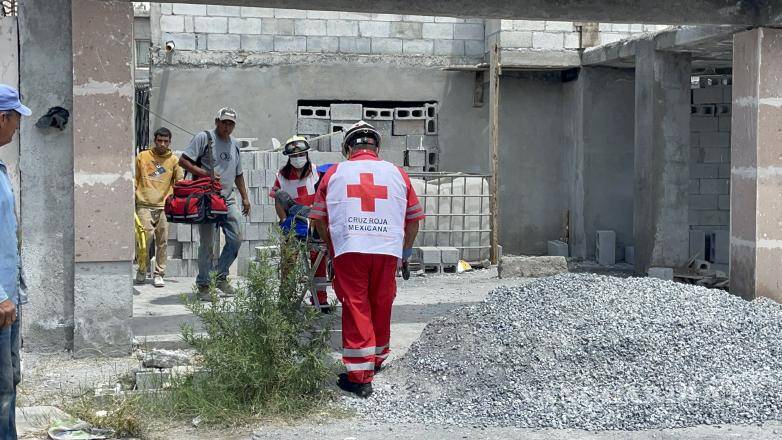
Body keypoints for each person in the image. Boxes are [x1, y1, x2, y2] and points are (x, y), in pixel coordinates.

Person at [309, 121, 424, 398]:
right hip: (387, 249)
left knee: (356, 305)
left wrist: (332, 248)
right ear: (376, 146)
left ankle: (360, 377)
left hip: (350, 249)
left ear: (348, 147)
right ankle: (376, 358)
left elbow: (319, 218)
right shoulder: (397, 173)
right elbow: (413, 219)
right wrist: (405, 252)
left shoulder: (335, 173)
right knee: (381, 301)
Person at [179, 108, 250, 299]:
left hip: (227, 199)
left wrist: (244, 197)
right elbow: (183, 161)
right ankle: (203, 285)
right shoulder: (204, 138)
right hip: (206, 199)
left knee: (236, 237)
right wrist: (205, 173)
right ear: (217, 121)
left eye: (231, 123)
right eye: (224, 122)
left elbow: (239, 173)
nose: (227, 127)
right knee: (207, 244)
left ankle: (220, 276)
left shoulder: (234, 144)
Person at [0, 84, 31, 439]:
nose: (18, 127)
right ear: (3, 117)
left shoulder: (1, 167)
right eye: (16, 119)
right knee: (2, 390)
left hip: (10, 299)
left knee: (10, 382)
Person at [269, 136, 329, 309]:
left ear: (306, 154)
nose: (297, 158)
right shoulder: (281, 176)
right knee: (289, 261)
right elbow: (278, 201)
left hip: (314, 222)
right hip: (293, 223)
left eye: (301, 154)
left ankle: (320, 300)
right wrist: (284, 222)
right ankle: (286, 299)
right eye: (294, 156)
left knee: (318, 261)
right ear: (288, 157)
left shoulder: (318, 173)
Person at [134, 127, 184, 288]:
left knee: (162, 241)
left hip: (164, 206)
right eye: (159, 140)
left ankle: (159, 273)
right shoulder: (143, 156)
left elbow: (180, 183)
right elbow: (135, 178)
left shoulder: (174, 160)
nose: (162, 144)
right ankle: (142, 269)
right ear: (154, 140)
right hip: (144, 204)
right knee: (144, 240)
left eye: (166, 141)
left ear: (170, 142)